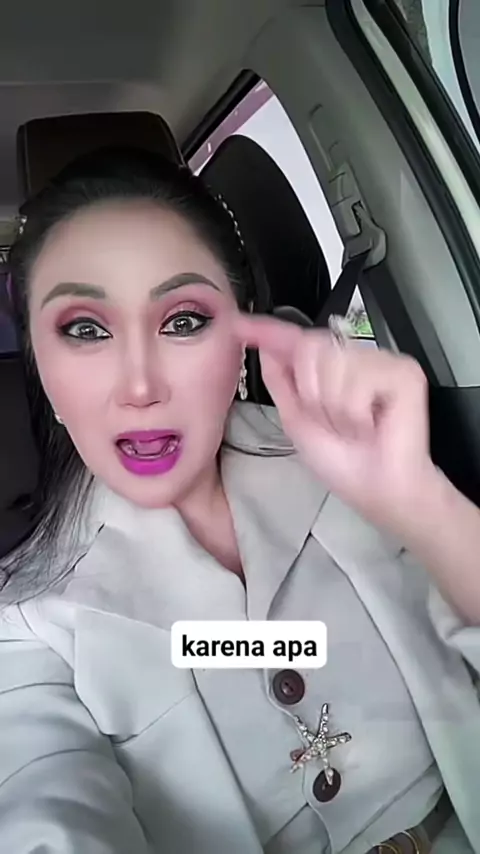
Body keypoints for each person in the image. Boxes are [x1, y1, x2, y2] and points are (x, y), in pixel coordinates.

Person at [0, 146, 479, 854]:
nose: (140, 386)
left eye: (183, 320)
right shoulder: (27, 621)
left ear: (241, 333)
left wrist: (424, 504)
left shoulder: (351, 461)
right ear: (41, 368)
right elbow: (43, 812)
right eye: (85, 330)